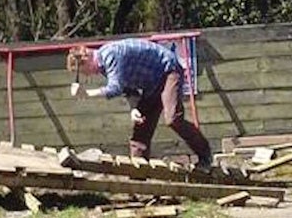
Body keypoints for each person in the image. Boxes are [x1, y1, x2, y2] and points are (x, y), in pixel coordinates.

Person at [67, 39, 212, 171]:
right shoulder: (104, 67)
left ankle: (205, 155)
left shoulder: (110, 54)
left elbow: (114, 88)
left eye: (84, 71)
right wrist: (134, 109)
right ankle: (139, 177)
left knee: (172, 118)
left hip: (168, 70)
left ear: (85, 59)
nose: (87, 76)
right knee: (140, 130)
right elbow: (128, 90)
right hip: (151, 84)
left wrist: (86, 94)